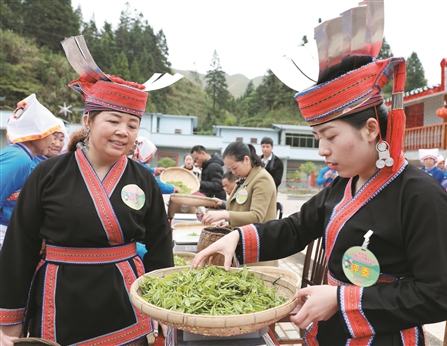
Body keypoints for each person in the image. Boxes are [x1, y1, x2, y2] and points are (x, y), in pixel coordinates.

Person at [192, 4, 447, 344]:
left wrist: (339, 299)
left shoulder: (421, 196)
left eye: (330, 136)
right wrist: (237, 238)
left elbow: (437, 297)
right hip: (332, 327)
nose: (322, 150)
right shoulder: (344, 184)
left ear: (371, 129)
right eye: (318, 138)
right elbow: (295, 228)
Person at [0, 35, 179, 345]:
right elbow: (20, 248)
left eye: (133, 125)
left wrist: (164, 308)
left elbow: (160, 246)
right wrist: (10, 320)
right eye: (114, 120)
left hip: (125, 301)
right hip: (60, 300)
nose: (124, 131)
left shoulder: (143, 178)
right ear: (88, 121)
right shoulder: (47, 174)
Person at [0, 94, 61, 250]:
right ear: (35, 135)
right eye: (51, 135)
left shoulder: (24, 157)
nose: (54, 142)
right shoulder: (19, 158)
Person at [202, 141, 277, 228]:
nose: (233, 172)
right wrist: (229, 223)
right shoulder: (244, 178)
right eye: (230, 169)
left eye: (234, 168)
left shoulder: (262, 179)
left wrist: (225, 214)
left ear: (246, 160)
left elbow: (256, 216)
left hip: (259, 238)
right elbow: (240, 207)